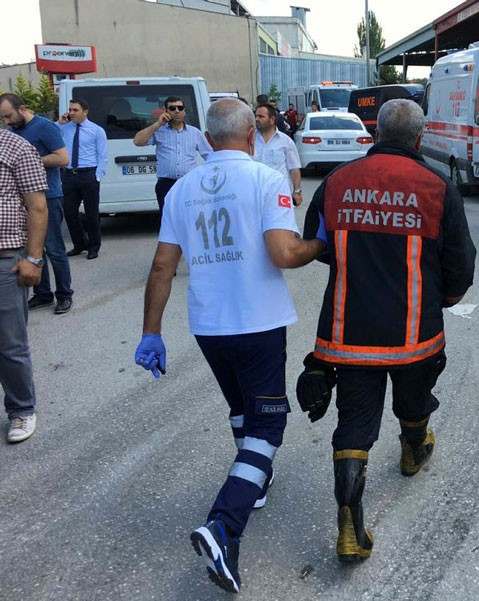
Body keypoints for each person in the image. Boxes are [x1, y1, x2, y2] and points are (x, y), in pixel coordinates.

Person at [134, 98, 325, 593]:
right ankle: (226, 524)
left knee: (241, 407)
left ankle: (253, 482)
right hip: (257, 322)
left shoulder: (180, 189)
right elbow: (284, 253)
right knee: (269, 421)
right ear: (248, 135)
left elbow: (161, 266)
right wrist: (322, 244)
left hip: (209, 323)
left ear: (209, 138)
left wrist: (150, 332)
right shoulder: (265, 179)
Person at [298, 99, 476, 563]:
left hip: (349, 333)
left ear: (375, 133)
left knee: (354, 423)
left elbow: (318, 246)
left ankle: (350, 525)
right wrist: (447, 297)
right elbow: (460, 263)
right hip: (415, 333)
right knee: (413, 403)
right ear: (420, 140)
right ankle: (413, 449)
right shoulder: (437, 185)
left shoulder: (336, 182)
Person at [0, 93, 74, 314]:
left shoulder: (45, 127)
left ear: (22, 108)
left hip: (47, 197)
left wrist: (27, 161)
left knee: (53, 249)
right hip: (22, 201)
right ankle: (42, 294)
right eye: (3, 118)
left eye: (9, 116)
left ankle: (64, 295)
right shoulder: (12, 131)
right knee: (33, 248)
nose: (7, 122)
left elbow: (62, 158)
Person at [0, 128, 48, 443]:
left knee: (10, 343)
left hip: (6, 259)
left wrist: (33, 258)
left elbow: (38, 208)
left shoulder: (16, 147)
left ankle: (21, 410)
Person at [133, 96, 212, 215]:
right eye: (172, 108)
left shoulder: (194, 132)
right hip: (166, 185)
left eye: (180, 108)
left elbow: (209, 155)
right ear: (166, 111)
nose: (177, 111)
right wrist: (158, 124)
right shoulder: (159, 131)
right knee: (167, 219)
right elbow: (138, 141)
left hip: (188, 184)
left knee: (190, 217)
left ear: (184, 111)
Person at [56, 98, 107, 260]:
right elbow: (50, 133)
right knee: (70, 212)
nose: (71, 113)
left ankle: (94, 246)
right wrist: (59, 123)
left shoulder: (96, 130)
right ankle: (79, 244)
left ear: (85, 112)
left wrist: (97, 176)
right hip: (70, 175)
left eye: (75, 110)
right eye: (70, 109)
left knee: (92, 214)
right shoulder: (65, 128)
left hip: (88, 174)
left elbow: (102, 155)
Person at [254, 103, 303, 206]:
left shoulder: (286, 141)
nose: (257, 119)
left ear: (272, 120)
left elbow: (294, 168)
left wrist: (297, 191)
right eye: (256, 116)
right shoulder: (249, 140)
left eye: (261, 116)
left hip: (278, 194)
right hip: (254, 195)